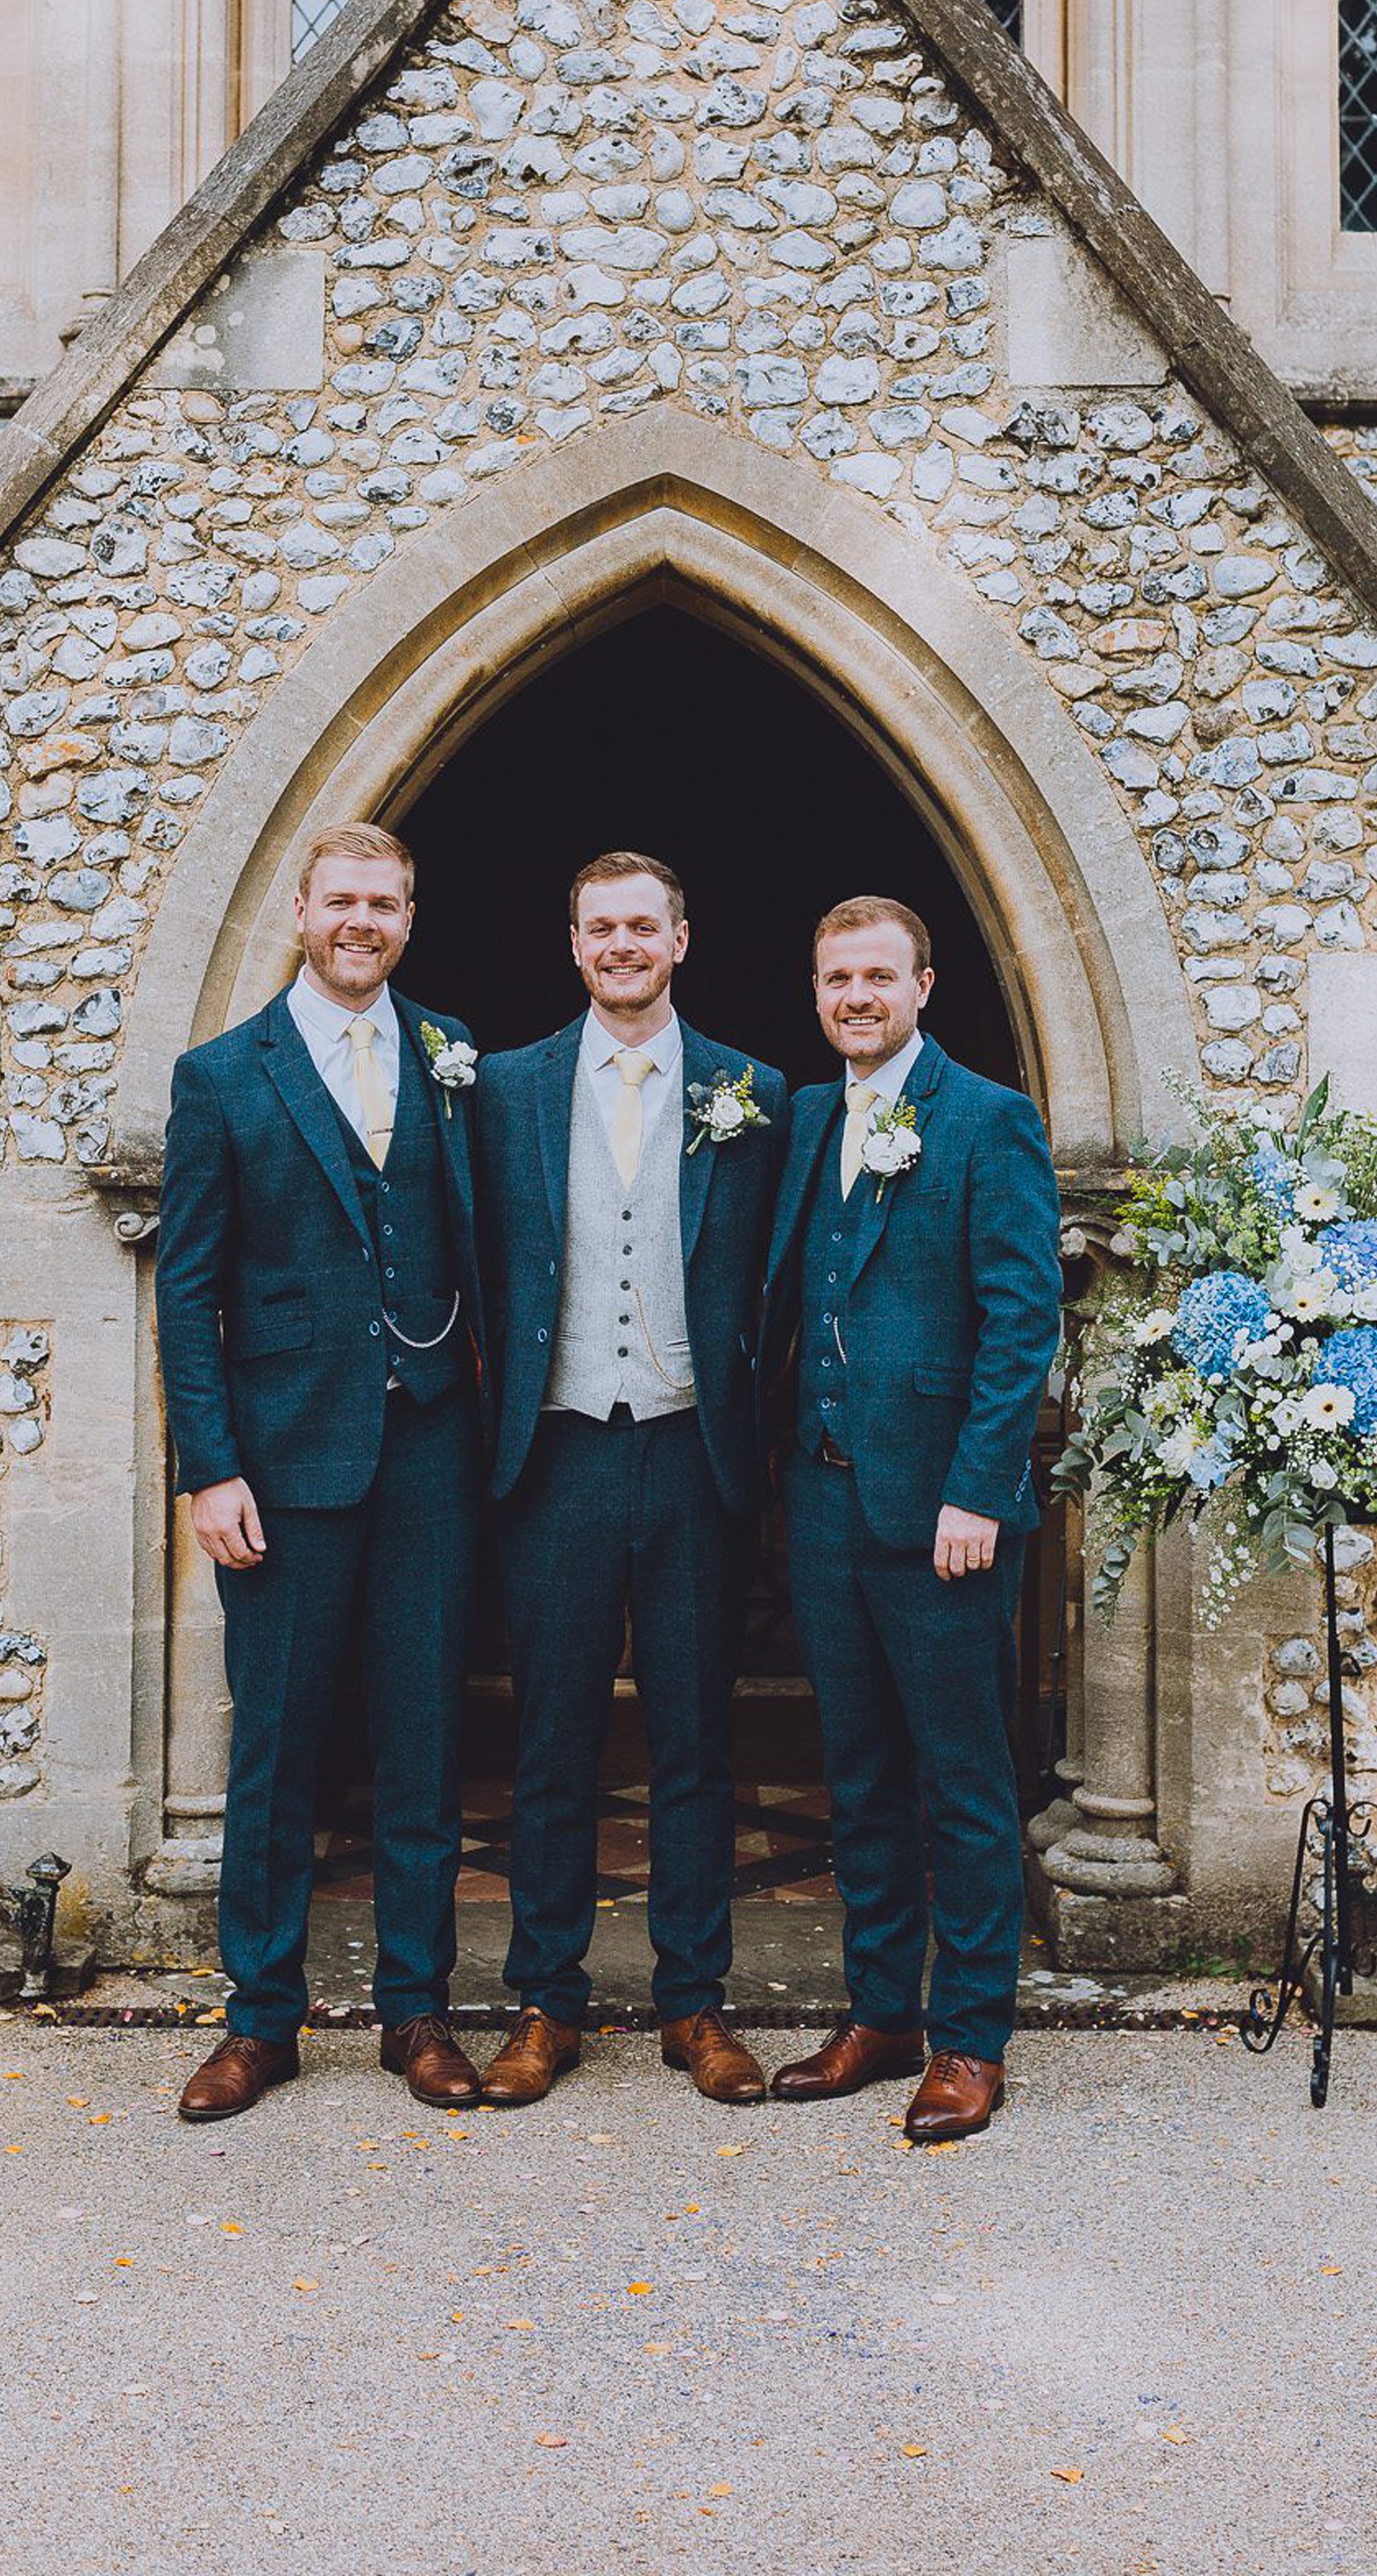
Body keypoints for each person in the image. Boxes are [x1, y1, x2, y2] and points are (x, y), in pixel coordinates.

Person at [154, 822, 488, 2118]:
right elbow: (187, 1294)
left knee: (424, 1741)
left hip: (433, 1459)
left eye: (387, 902)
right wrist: (208, 1467)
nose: (364, 920)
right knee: (278, 1750)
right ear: (301, 910)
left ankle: (418, 2011)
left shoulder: (455, 1059)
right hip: (283, 1468)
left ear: (411, 915)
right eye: (343, 899)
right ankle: (261, 2016)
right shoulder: (224, 1076)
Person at [470, 852, 786, 2108]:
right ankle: (546, 2001)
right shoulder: (503, 1088)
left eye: (641, 926)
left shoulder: (755, 1092)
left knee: (696, 1740)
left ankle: (693, 2003)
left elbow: (782, 1258)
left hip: (690, 1445)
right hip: (555, 1450)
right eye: (600, 926)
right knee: (550, 1741)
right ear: (573, 941)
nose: (621, 945)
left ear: (681, 940)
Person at [763, 898, 1062, 2142]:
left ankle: (971, 2037)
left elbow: (1020, 1321)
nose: (856, 996)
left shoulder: (990, 1120)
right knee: (861, 1774)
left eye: (878, 975)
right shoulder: (806, 1118)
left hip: (945, 1513)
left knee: (964, 1779)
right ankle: (882, 2009)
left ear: (924, 985)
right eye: (837, 977)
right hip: (825, 1499)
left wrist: (978, 1489)